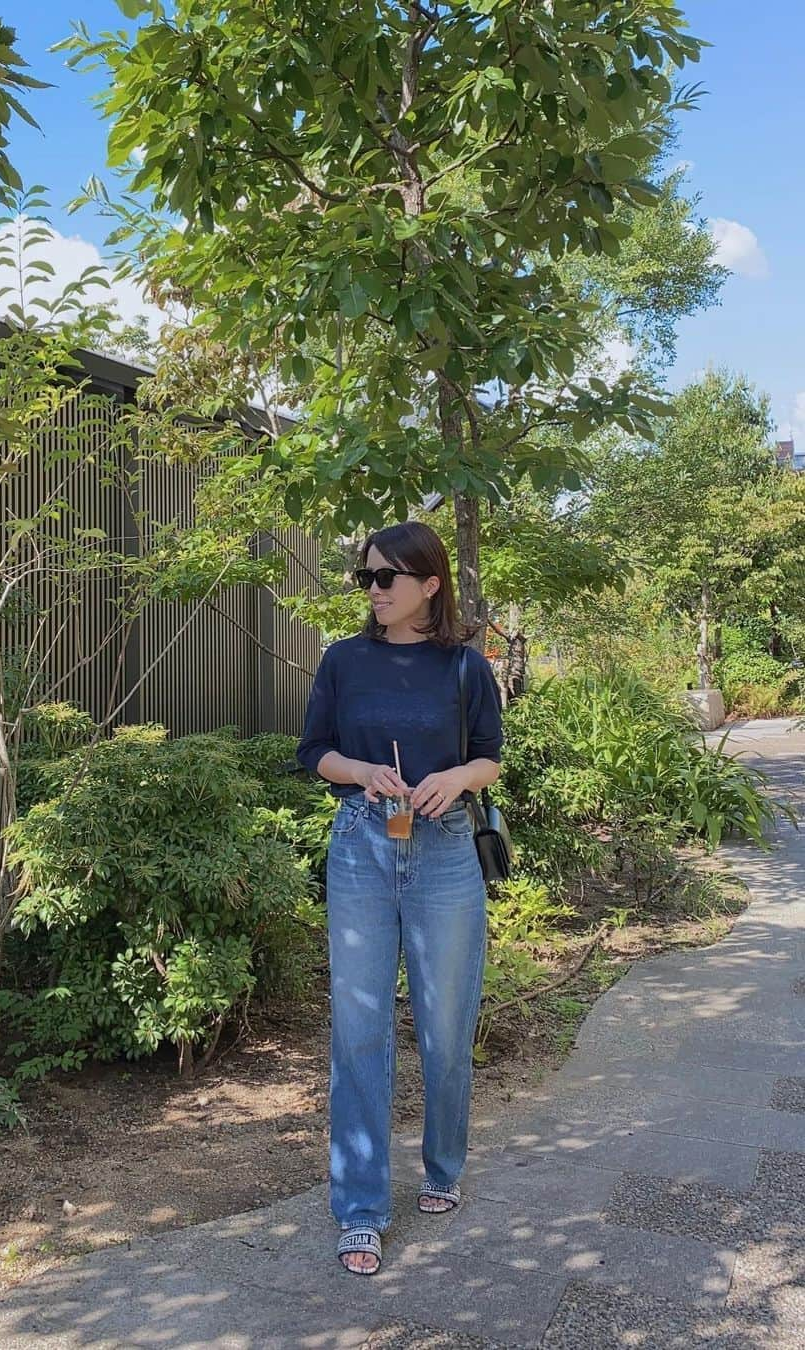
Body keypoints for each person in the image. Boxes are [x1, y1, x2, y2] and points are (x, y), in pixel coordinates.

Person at [296, 521, 503, 1276]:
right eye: (367, 578)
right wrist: (356, 770)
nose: (375, 589)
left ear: (429, 584)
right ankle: (359, 1208)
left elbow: (490, 755)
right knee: (358, 1031)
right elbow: (311, 750)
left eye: (387, 577)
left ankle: (444, 1167)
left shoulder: (463, 667)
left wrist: (457, 779)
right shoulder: (344, 661)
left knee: (446, 1026)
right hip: (360, 846)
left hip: (446, 854)